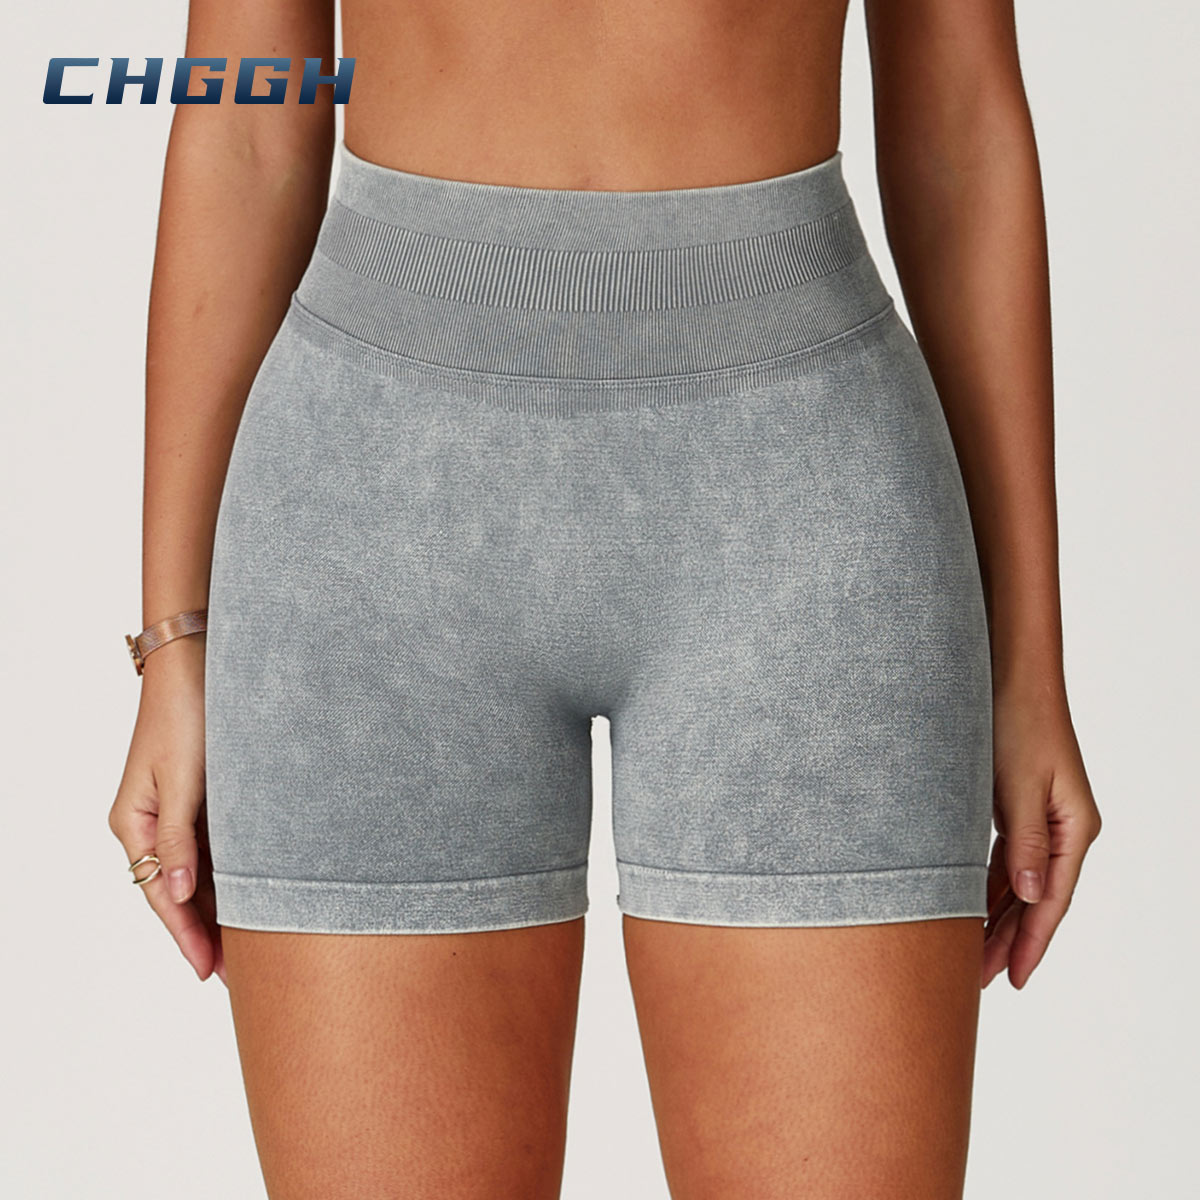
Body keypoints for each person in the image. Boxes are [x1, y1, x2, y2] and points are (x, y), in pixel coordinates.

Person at [108, 1, 1102, 1195]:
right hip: (372, 526)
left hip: (803, 511)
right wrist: (174, 640)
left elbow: (960, 127)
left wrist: (1028, 669)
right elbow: (243, 121)